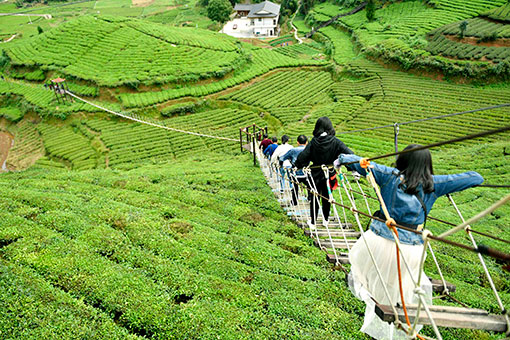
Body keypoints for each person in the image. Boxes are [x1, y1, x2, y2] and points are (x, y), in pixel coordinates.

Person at [336, 144, 484, 340]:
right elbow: (476, 178)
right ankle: (397, 330)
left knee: (372, 282)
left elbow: (353, 160)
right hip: (410, 251)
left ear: (402, 160)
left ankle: (379, 324)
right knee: (400, 292)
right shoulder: (435, 184)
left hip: (378, 243)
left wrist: (340, 161)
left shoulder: (389, 175)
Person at [295, 117, 353, 228]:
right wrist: (351, 167)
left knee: (314, 197)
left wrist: (297, 166)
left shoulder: (314, 142)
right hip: (329, 173)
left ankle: (313, 222)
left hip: (315, 174)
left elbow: (302, 157)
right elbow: (349, 154)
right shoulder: (335, 141)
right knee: (327, 197)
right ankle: (326, 220)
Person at [280, 134, 308, 205]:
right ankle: (310, 198)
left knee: (295, 187)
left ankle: (294, 201)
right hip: (306, 172)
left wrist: (281, 164)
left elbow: (282, 158)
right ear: (306, 142)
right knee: (309, 186)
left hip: (295, 173)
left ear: (297, 142)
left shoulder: (293, 150)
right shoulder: (309, 150)